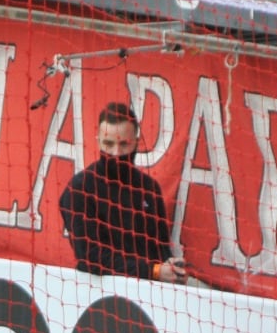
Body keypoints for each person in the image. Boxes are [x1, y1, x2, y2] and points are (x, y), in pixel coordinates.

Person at [59, 102, 188, 285]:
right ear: (98, 141)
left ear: (136, 141)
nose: (116, 153)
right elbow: (90, 256)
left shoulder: (149, 189)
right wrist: (153, 271)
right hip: (97, 297)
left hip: (148, 297)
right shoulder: (79, 188)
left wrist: (171, 267)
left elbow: (160, 249)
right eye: (109, 144)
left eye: (124, 144)